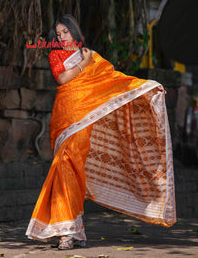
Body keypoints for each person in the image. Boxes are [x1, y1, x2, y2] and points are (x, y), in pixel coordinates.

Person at [26, 14, 176, 250]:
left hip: (84, 121)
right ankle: (72, 230)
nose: (62, 36)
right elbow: (62, 77)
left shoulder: (92, 56)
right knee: (65, 167)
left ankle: (69, 231)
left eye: (65, 32)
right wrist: (81, 65)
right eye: (58, 34)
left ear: (74, 32)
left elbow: (115, 81)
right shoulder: (58, 55)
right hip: (64, 119)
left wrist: (148, 86)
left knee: (73, 168)